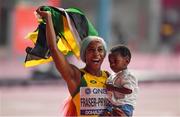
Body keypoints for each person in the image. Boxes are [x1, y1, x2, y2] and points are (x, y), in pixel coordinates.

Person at [36, 7, 110, 116]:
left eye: (100, 50)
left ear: (104, 54)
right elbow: (53, 48)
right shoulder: (76, 76)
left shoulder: (109, 78)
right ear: (84, 54)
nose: (96, 54)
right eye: (91, 50)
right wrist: (48, 18)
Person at [101, 45, 138, 117]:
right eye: (110, 62)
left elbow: (129, 90)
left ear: (126, 61)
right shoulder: (115, 75)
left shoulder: (128, 76)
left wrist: (112, 88)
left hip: (124, 106)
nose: (112, 64)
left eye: (115, 61)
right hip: (114, 104)